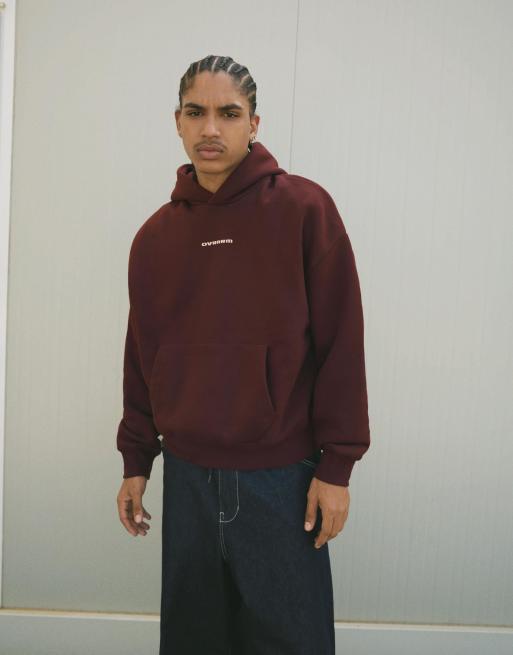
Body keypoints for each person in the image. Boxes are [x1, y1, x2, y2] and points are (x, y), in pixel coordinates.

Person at [116, 54, 371, 655]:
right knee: (195, 639)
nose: (210, 129)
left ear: (254, 123)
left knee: (291, 640)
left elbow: (341, 341)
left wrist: (337, 467)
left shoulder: (304, 211)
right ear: (177, 121)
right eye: (196, 113)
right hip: (187, 477)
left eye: (228, 114)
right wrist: (135, 457)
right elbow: (142, 354)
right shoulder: (154, 238)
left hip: (281, 477)